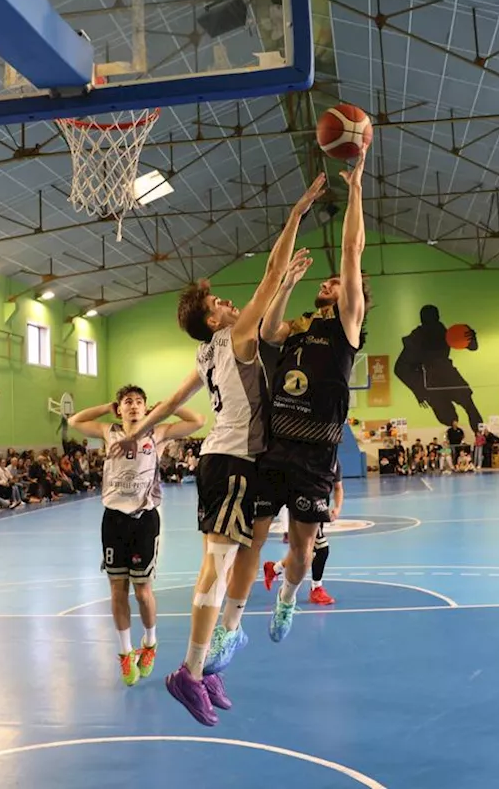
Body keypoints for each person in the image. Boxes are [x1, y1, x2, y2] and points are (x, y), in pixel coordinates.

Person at [115, 173, 327, 726]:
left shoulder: (210, 353)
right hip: (230, 461)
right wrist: (297, 210)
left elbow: (167, 401)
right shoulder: (232, 338)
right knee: (217, 565)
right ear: (213, 319)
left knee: (240, 557)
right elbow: (270, 273)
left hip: (239, 463)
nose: (230, 302)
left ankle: (209, 669)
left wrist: (138, 434)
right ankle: (188, 672)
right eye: (220, 301)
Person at [259, 149, 369, 643]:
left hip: (315, 450)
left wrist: (356, 190)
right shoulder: (301, 325)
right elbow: (267, 330)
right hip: (274, 440)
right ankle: (233, 619)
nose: (332, 284)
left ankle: (287, 597)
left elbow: (351, 253)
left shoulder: (346, 326)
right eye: (326, 283)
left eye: (339, 284)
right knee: (252, 535)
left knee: (303, 550)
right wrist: (286, 283)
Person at [68, 385, 204, 688]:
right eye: (127, 402)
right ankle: (125, 651)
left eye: (139, 402)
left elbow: (197, 420)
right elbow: (74, 421)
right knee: (117, 589)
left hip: (144, 519)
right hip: (113, 519)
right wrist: (106, 406)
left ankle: (150, 642)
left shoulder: (158, 432)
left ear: (145, 408)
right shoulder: (109, 431)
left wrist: (166, 405)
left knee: (142, 591)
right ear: (120, 408)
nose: (133, 406)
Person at [264, 463, 342, 605]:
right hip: (307, 504)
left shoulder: (333, 462)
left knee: (305, 551)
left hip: (320, 507)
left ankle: (275, 568)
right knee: (322, 549)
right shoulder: (307, 458)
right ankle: (316, 589)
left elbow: (338, 488)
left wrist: (337, 508)